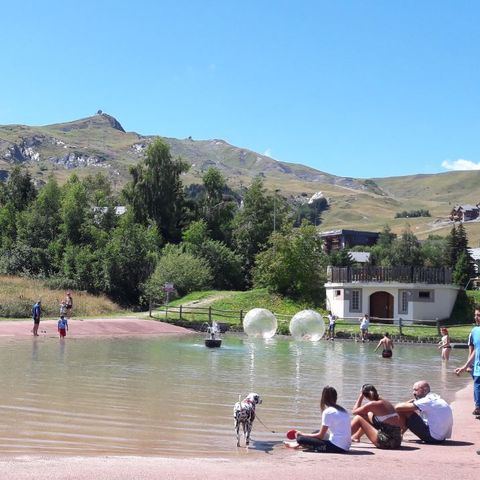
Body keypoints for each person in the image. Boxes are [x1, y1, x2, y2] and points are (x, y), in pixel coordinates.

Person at [293, 386, 351, 453]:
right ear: (336, 398)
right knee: (316, 432)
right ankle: (299, 445)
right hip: (346, 446)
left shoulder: (328, 412)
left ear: (323, 398)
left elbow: (320, 436)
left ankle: (298, 444)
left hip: (337, 447)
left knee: (300, 439)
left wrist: (302, 434)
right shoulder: (343, 411)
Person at [351, 384, 402, 449]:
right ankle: (356, 437)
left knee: (358, 418)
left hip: (386, 442)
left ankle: (342, 438)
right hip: (397, 442)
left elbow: (354, 412)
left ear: (365, 395)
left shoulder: (372, 404)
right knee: (367, 416)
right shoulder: (386, 402)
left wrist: (361, 396)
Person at [455, 305, 480, 416]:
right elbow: (476, 350)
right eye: (475, 315)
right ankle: (478, 407)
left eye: (479, 315)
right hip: (478, 367)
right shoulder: (474, 331)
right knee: (477, 385)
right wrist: (465, 366)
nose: (476, 317)